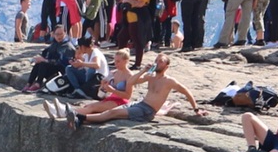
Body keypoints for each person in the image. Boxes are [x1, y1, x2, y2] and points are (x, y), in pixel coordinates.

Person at [47, 53, 202, 126]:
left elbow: (186, 92)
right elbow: (132, 82)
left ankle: (79, 118)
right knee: (101, 110)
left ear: (167, 66)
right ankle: (74, 116)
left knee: (112, 113)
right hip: (139, 104)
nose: (157, 63)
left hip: (146, 111)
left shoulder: (170, 81)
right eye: (156, 61)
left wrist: (196, 110)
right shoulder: (151, 76)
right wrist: (143, 71)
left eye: (160, 62)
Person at [23, 22, 77, 90]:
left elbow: (62, 63)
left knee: (43, 63)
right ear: (53, 34)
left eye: (61, 34)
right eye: (57, 34)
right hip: (52, 68)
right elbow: (46, 53)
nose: (59, 36)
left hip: (62, 72)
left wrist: (45, 60)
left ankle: (38, 83)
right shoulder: (55, 44)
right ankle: (29, 84)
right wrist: (39, 58)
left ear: (65, 33)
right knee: (38, 64)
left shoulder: (68, 47)